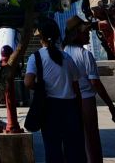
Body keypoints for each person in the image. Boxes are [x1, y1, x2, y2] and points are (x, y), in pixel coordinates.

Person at [24, 17, 85, 163]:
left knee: (53, 151)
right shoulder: (66, 57)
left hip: (50, 108)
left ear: (40, 36)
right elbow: (76, 86)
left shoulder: (36, 57)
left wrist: (41, 87)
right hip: (70, 108)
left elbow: (28, 82)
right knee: (73, 151)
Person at [63, 15, 115, 163]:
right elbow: (95, 82)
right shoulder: (85, 55)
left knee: (76, 139)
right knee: (92, 139)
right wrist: (110, 105)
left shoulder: (64, 52)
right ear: (77, 34)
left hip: (69, 100)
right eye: (85, 32)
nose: (88, 34)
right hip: (86, 100)